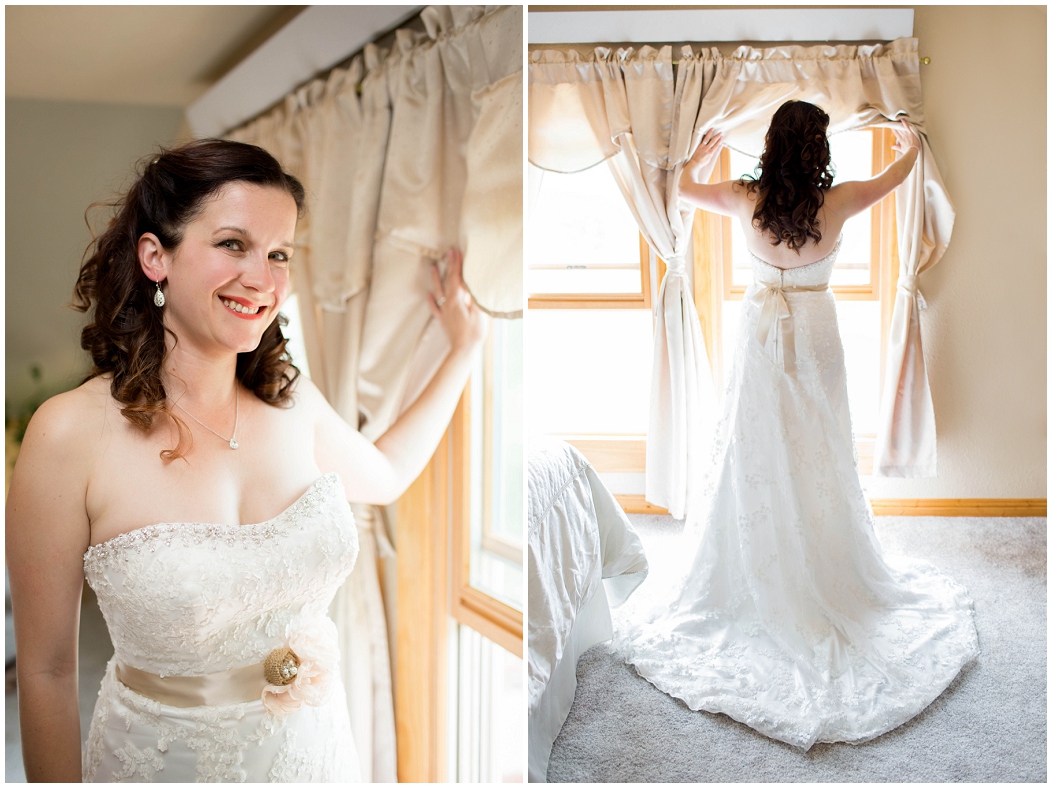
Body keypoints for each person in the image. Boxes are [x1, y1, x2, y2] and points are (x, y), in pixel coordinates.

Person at [6, 139, 488, 781]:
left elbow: (389, 475)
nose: (262, 279)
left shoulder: (294, 404)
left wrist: (466, 347)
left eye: (279, 253)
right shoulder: (68, 435)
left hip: (315, 758)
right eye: (233, 244)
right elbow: (45, 671)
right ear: (157, 256)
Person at [615, 102, 979, 750]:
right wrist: (905, 140)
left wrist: (702, 153)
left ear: (773, 145)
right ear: (817, 150)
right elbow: (898, 177)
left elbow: (682, 190)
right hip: (814, 335)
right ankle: (822, 553)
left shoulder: (741, 196)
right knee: (820, 454)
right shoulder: (836, 202)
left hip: (760, 336)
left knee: (754, 451)